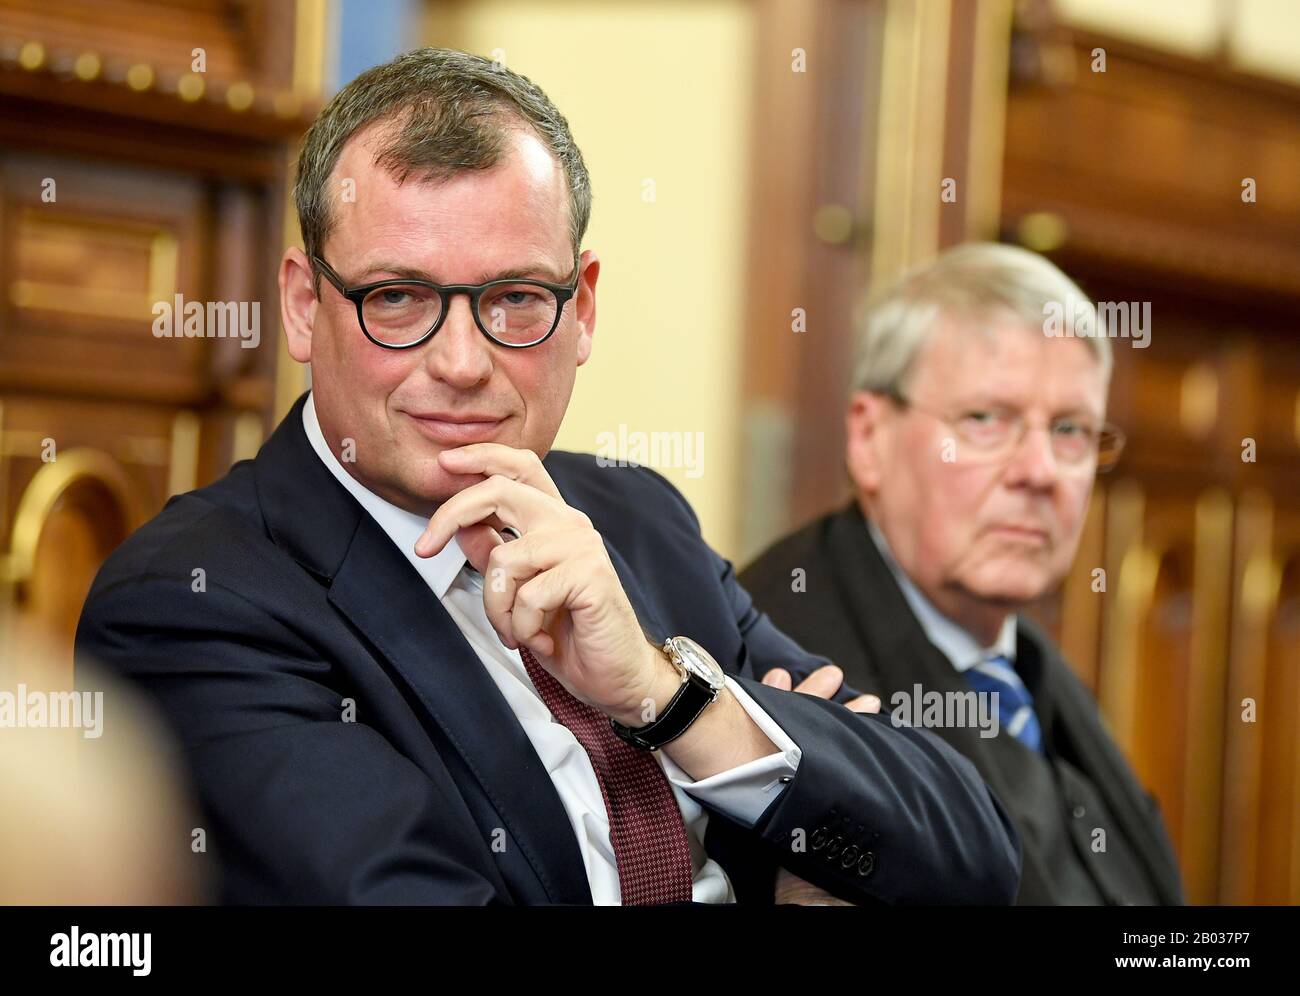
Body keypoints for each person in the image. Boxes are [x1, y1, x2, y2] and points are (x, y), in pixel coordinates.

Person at [75, 48, 1019, 905]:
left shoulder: (635, 515)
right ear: (299, 305)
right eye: (397, 299)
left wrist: (666, 696)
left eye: (514, 299)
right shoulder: (194, 601)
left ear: (584, 308)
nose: (460, 362)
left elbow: (970, 856)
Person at [741, 243, 1183, 904]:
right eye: (985, 420)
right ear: (869, 438)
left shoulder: (1024, 663)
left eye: (1070, 430)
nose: (1039, 471)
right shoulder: (782, 652)